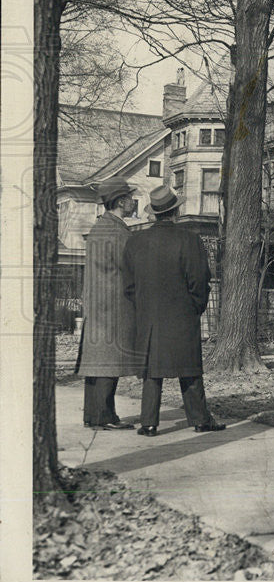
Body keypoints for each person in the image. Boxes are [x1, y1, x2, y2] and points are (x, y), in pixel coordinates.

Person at [123, 185, 225, 436]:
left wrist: (143, 308)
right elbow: (200, 280)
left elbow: (128, 286)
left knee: (151, 371)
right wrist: (195, 307)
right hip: (182, 316)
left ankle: (148, 423)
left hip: (148, 318)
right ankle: (200, 420)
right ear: (175, 212)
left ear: (155, 213)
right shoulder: (189, 240)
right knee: (189, 369)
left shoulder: (136, 242)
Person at [76, 178, 143, 430]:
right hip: (114, 305)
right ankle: (104, 416)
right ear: (121, 201)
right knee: (109, 360)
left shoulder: (99, 228)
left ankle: (94, 415)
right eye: (129, 197)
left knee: (96, 360)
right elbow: (130, 268)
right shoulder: (117, 231)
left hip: (98, 304)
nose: (132, 202)